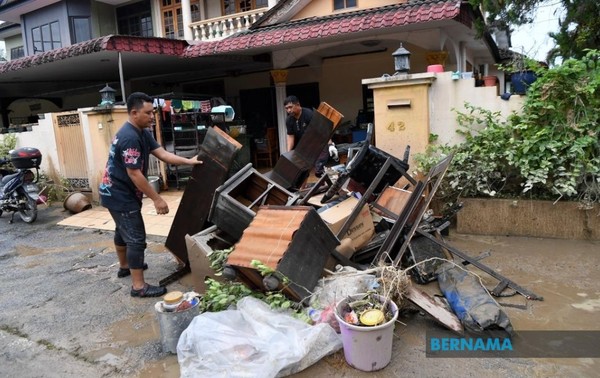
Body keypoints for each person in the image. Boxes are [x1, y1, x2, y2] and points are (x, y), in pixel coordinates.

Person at [99, 92, 203, 298]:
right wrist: (157, 199)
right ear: (134, 112)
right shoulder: (130, 137)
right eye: (147, 113)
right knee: (136, 239)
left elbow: (162, 154)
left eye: (152, 112)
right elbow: (134, 173)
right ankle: (138, 287)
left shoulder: (141, 131)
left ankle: (125, 266)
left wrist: (189, 161)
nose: (151, 116)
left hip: (113, 192)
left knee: (123, 231)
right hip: (120, 194)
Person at [284, 95, 338, 177]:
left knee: (319, 170)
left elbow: (323, 129)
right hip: (305, 145)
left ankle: (328, 183)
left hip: (319, 143)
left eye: (290, 107)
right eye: (286, 108)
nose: (289, 110)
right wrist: (289, 153)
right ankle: (302, 189)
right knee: (301, 172)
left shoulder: (309, 114)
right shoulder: (289, 120)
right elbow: (290, 136)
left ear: (298, 104)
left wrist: (330, 145)